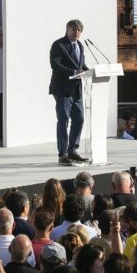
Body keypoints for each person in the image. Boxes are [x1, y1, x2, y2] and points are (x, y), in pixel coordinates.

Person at [49, 19, 89, 165]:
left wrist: (89, 71)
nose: (76, 32)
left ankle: (73, 151)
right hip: (62, 89)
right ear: (67, 30)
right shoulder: (59, 45)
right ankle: (63, 154)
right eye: (73, 29)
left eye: (79, 30)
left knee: (79, 119)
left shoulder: (80, 45)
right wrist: (73, 71)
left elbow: (81, 65)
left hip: (77, 89)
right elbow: (55, 64)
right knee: (63, 120)